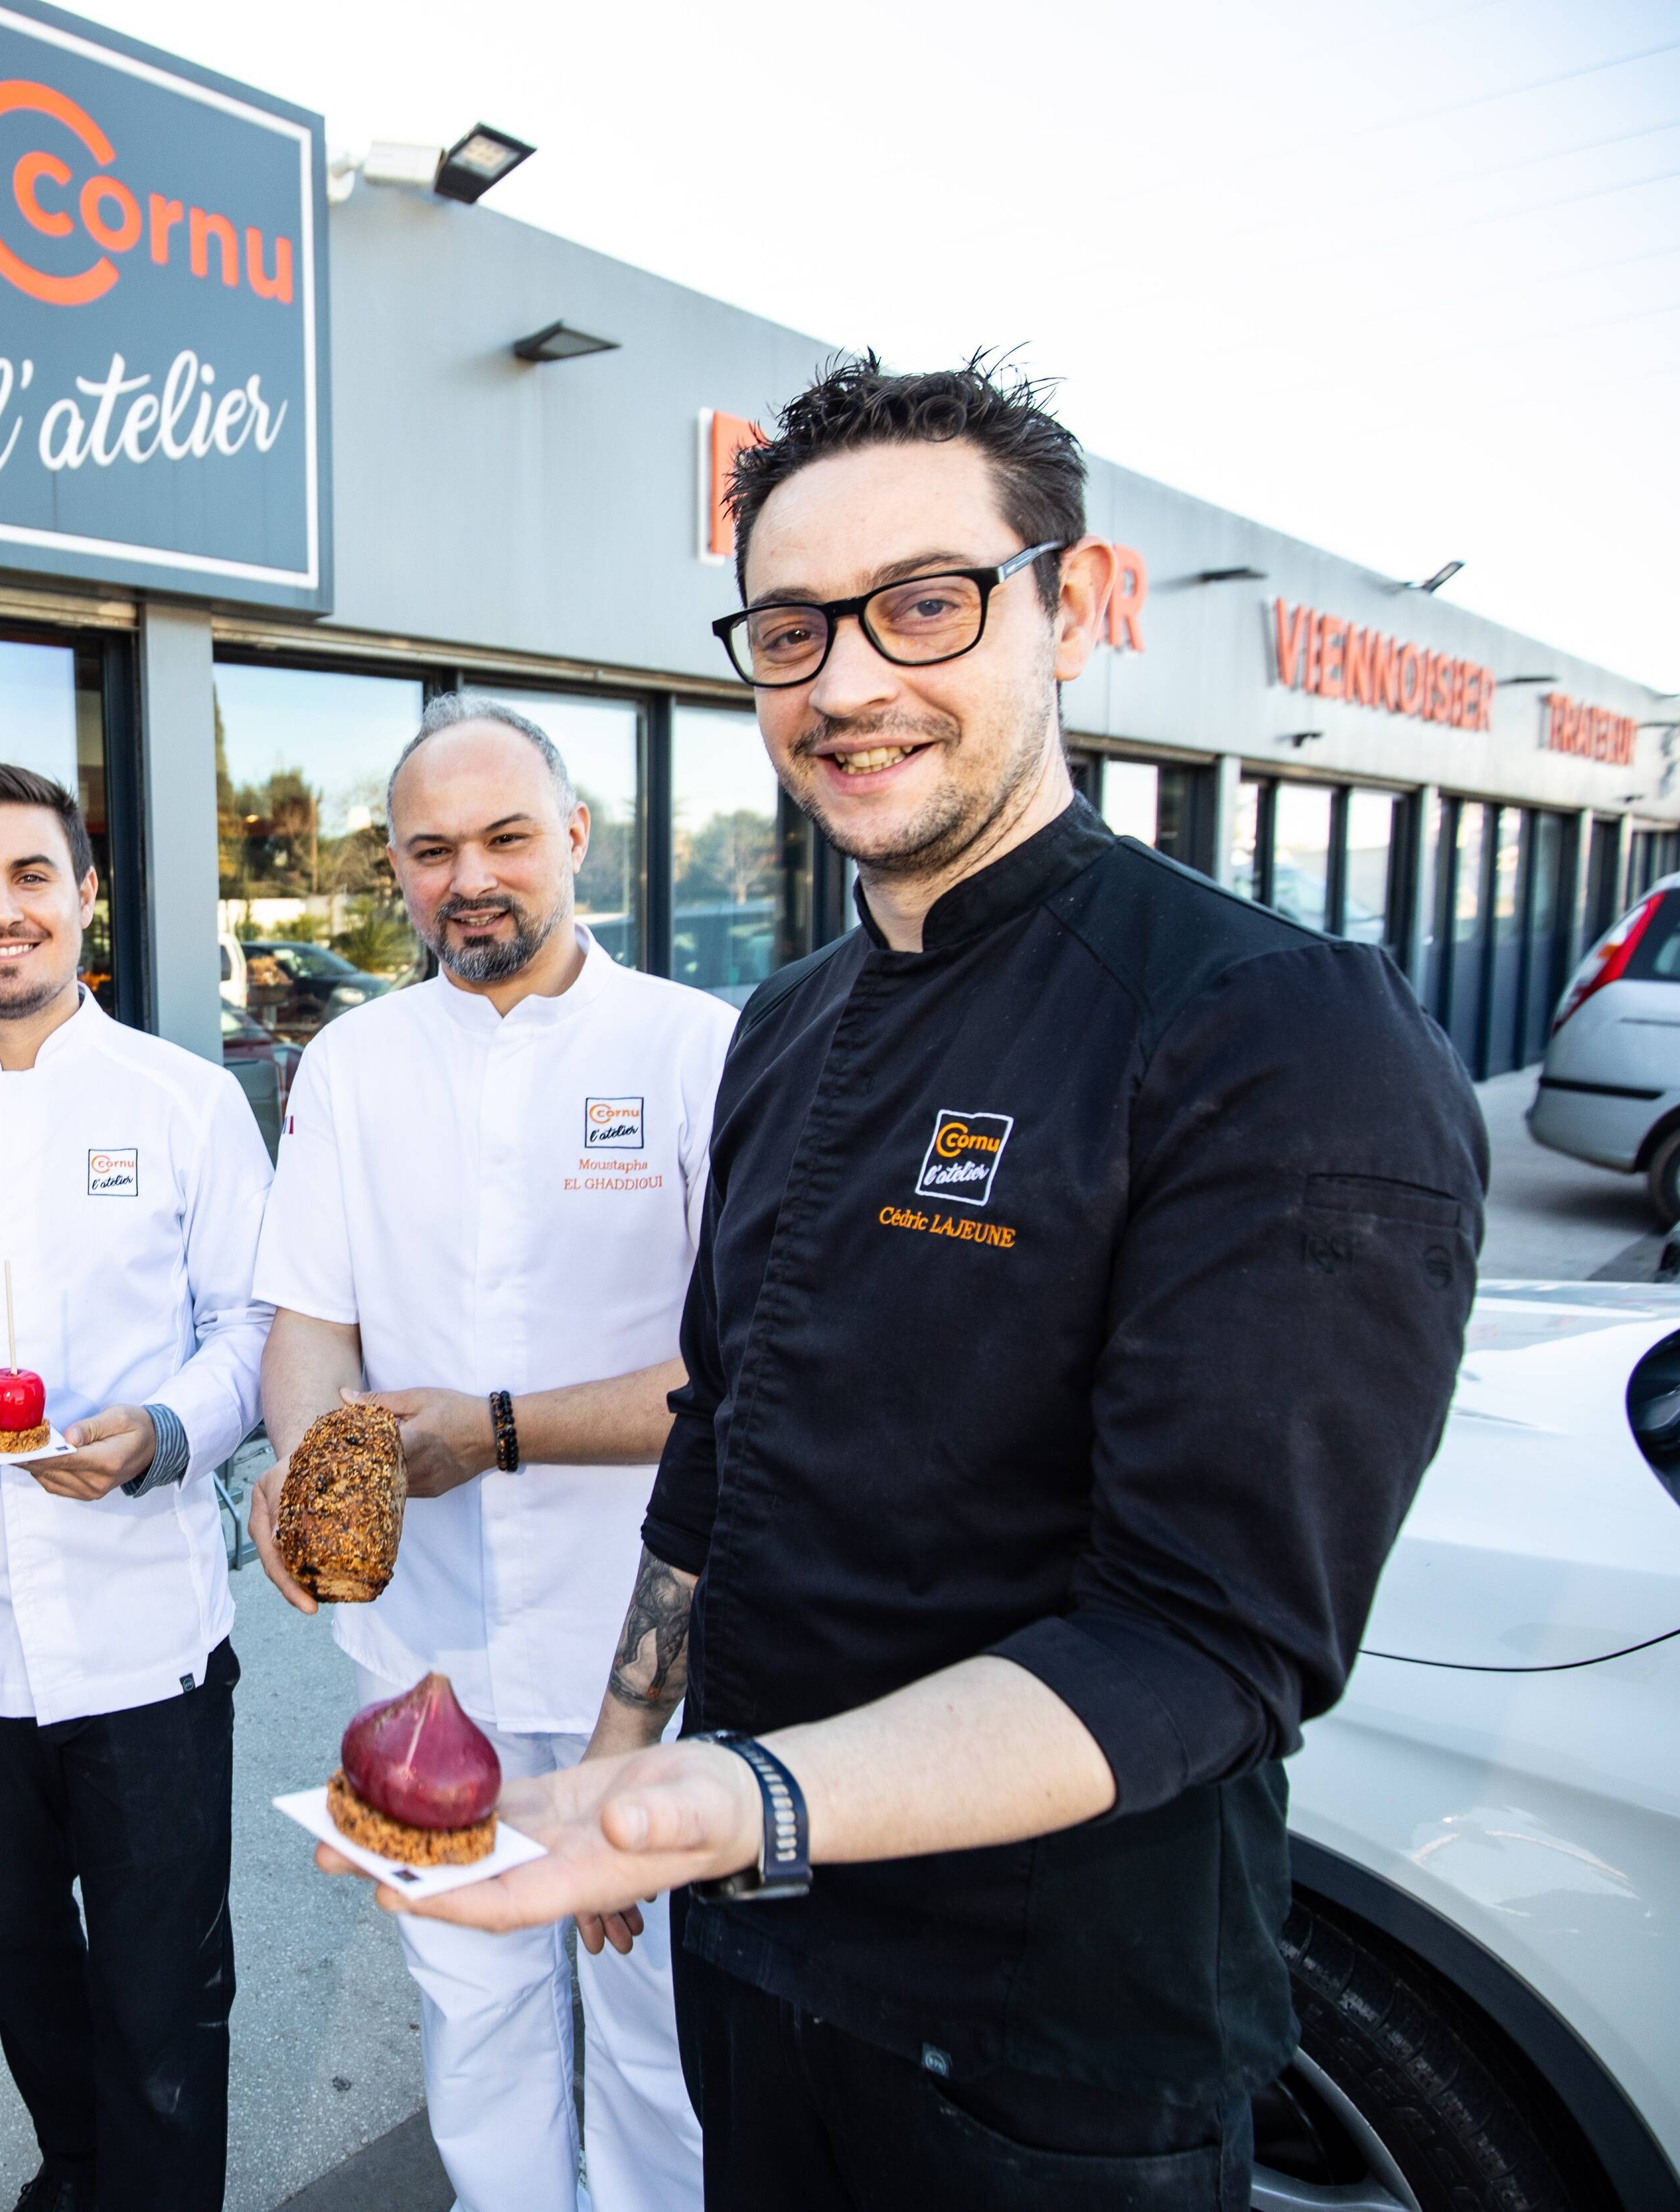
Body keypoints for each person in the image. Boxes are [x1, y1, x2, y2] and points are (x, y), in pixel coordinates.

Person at [360, 356, 1486, 2209]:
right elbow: (724, 1440)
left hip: (1043, 2047)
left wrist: (736, 1798)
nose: (852, 682)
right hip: (751, 1955)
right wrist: (631, 1764)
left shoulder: (1270, 1029)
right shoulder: (790, 1024)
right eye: (792, 629)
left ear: (1076, 606)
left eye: (926, 604)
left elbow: (1207, 1638)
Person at [249, 696, 737, 2212]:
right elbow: (310, 1325)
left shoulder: (697, 1047)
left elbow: (747, 1379)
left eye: (507, 837)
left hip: (651, 1650)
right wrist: (308, 1469)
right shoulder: (350, 1061)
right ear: (390, 870)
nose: (472, 875)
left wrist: (494, 1429)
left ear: (575, 838)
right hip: (421, 1653)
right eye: (431, 848)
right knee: (473, 2007)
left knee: (660, 2030)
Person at [0, 764, 273, 2212]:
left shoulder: (189, 1102)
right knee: (18, 1960)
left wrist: (158, 1429)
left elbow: (250, 1333)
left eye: (31, 874)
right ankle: (75, 2178)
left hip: (144, 1635)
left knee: (160, 1992)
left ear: (86, 894)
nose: (1, 910)